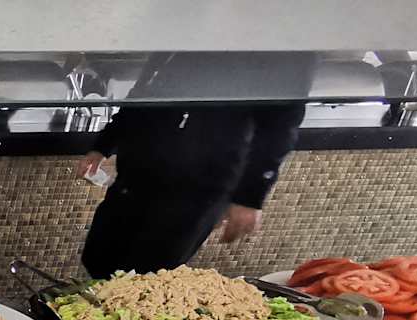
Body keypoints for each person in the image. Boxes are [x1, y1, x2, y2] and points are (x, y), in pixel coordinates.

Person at [77, 53, 315, 279]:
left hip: (199, 190)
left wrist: (250, 197)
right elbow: (143, 94)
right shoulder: (186, 35)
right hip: (136, 176)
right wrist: (103, 145)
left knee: (147, 273)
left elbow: (280, 128)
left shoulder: (281, 50)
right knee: (98, 259)